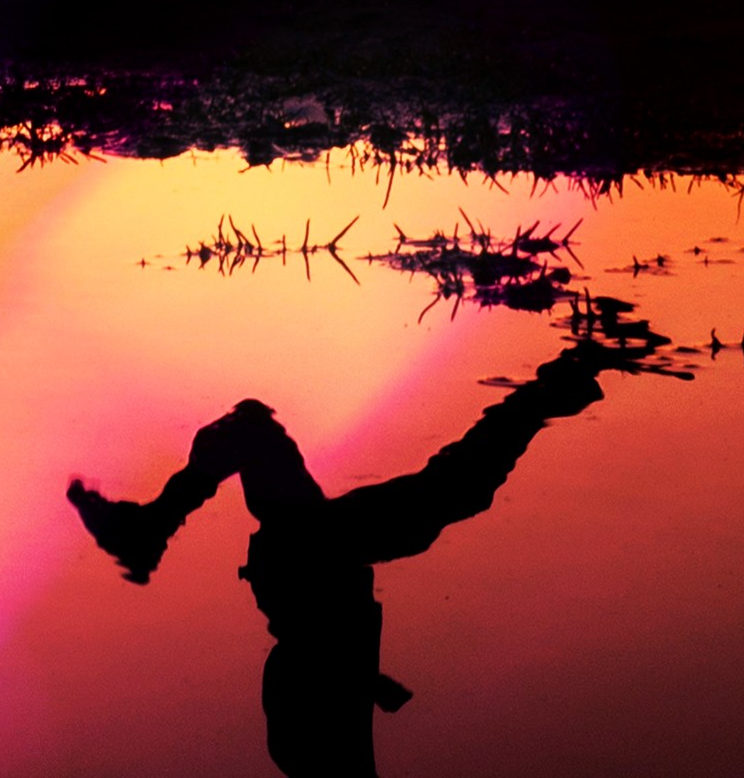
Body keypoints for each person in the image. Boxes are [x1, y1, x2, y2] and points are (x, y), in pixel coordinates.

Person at [64, 314, 666, 776]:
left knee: (442, 482)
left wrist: (356, 677)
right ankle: (568, 377)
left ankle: (151, 529)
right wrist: (361, 679)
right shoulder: (309, 751)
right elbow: (308, 682)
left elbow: (303, 680)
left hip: (311, 569)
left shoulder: (304, 750)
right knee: (451, 484)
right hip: (312, 572)